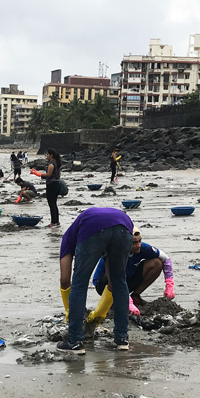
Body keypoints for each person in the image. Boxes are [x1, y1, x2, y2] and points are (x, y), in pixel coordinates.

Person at [57, 207, 134, 353]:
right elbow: (113, 283)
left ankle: (75, 341)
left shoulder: (67, 238)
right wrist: (98, 315)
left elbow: (65, 280)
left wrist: (70, 314)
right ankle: (122, 339)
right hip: (124, 225)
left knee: (80, 283)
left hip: (93, 226)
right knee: (120, 281)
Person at [91, 229, 173, 317]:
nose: (138, 245)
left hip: (127, 278)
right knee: (115, 276)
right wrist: (128, 302)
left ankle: (135, 297)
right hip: (106, 284)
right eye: (134, 243)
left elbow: (166, 259)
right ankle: (115, 301)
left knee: (157, 263)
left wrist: (169, 285)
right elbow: (115, 278)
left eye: (140, 241)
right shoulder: (116, 252)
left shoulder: (142, 248)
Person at [32, 149, 62, 228]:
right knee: (54, 204)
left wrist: (37, 174)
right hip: (56, 184)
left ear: (51, 155)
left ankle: (54, 222)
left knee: (52, 204)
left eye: (48, 154)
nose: (46, 156)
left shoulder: (51, 164)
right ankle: (56, 222)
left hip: (51, 185)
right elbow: (58, 176)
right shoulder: (57, 164)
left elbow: (48, 175)